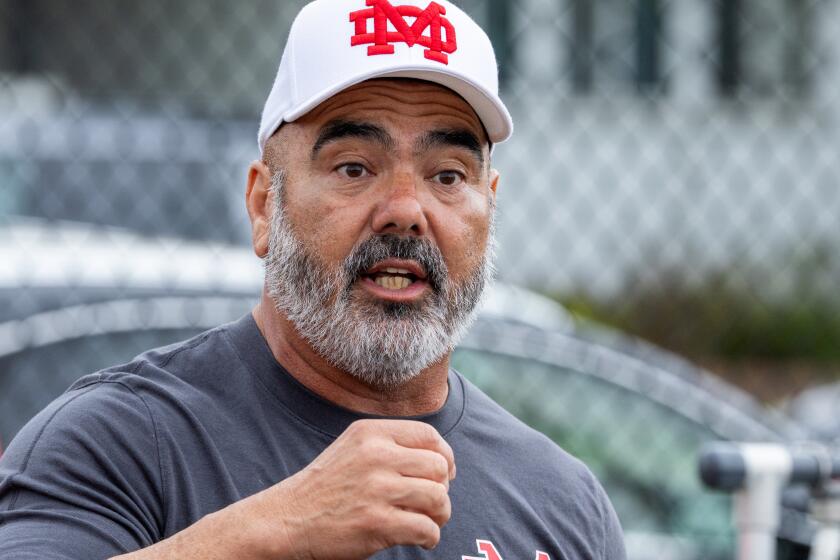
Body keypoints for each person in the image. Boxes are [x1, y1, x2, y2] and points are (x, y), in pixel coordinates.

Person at [0, 1, 626, 558]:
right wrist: (273, 531)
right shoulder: (120, 444)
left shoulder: (563, 503)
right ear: (262, 205)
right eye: (355, 167)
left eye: (449, 176)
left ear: (490, 207)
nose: (407, 210)